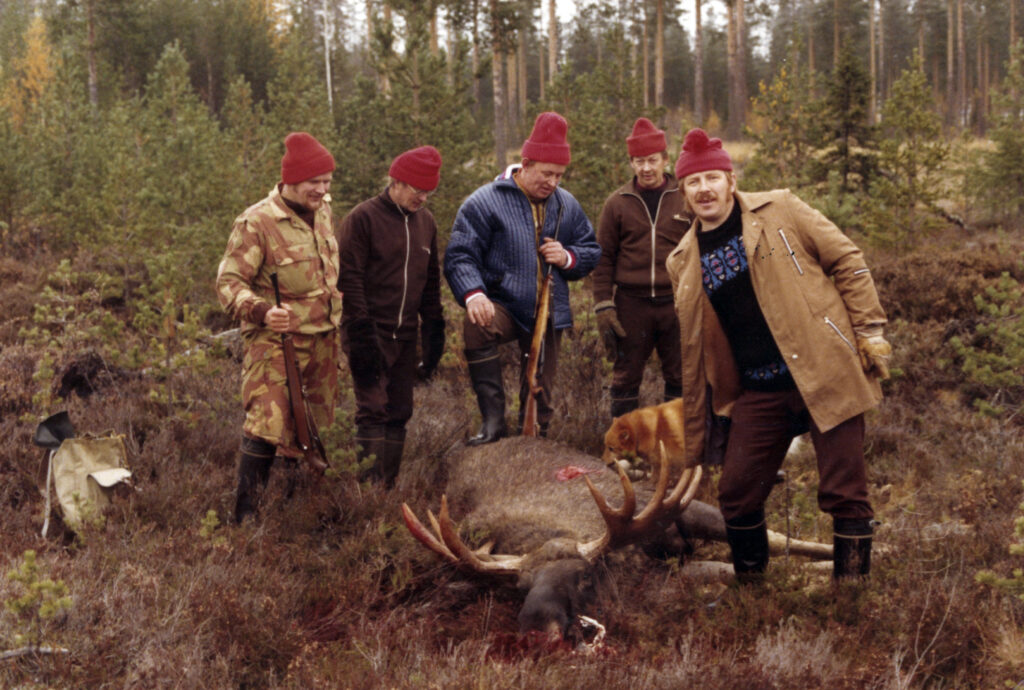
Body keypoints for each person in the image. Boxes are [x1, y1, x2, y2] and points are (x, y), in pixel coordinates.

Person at [665, 128, 892, 580]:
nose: (704, 189)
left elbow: (847, 259)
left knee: (845, 491)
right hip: (760, 389)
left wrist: (869, 329)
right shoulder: (682, 260)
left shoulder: (782, 208)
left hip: (826, 370)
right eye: (694, 182)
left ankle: (851, 596)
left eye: (712, 177)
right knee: (736, 494)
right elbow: (695, 352)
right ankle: (751, 593)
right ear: (684, 193)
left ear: (731, 181)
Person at [444, 112, 601, 444]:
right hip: (503, 303)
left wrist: (567, 257)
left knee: (540, 389)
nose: (553, 182)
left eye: (559, 175)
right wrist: (474, 294)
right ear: (526, 164)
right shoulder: (484, 201)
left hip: (549, 309)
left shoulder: (566, 205)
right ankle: (492, 422)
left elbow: (590, 249)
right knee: (478, 324)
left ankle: (535, 438)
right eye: (547, 173)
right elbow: (460, 255)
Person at [216, 131, 342, 522]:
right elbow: (228, 282)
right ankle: (245, 518)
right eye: (314, 182)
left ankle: (291, 518)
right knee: (267, 423)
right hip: (275, 340)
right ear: (291, 180)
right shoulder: (257, 222)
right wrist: (261, 311)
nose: (322, 190)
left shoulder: (323, 211)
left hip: (323, 340)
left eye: (327, 182)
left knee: (313, 427)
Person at [337, 145, 445, 486]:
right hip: (369, 332)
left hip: (406, 334)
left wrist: (434, 334)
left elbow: (430, 283)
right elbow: (348, 278)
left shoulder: (426, 222)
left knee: (400, 411)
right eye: (418, 190)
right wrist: (361, 333)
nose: (423, 198)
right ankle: (367, 494)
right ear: (396, 181)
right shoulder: (362, 218)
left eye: (428, 192)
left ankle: (386, 490)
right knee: (372, 408)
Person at [592, 117, 692, 419]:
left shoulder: (684, 197)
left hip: (676, 302)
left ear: (665, 159)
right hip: (631, 305)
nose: (646, 168)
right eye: (639, 161)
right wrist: (603, 304)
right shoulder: (617, 203)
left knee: (680, 374)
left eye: (652, 160)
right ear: (631, 163)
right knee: (625, 375)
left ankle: (677, 436)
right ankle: (622, 438)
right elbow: (603, 257)